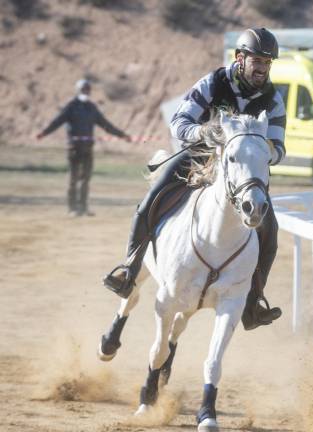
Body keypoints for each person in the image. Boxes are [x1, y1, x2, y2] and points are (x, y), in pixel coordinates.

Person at [102, 28, 285, 330]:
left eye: (267, 62)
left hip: (240, 172)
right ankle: (128, 271)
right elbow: (179, 123)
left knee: (271, 231)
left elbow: (278, 148)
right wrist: (202, 132)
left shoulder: (273, 99)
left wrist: (260, 150)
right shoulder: (214, 82)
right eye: (257, 60)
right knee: (151, 200)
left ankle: (253, 303)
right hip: (199, 157)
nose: (263, 67)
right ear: (240, 59)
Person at [37, 79, 131, 216]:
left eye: (88, 90)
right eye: (83, 89)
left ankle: (83, 208)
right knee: (73, 179)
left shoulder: (91, 108)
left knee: (85, 179)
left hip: (88, 148)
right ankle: (72, 208)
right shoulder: (71, 106)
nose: (86, 92)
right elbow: (57, 121)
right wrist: (44, 133)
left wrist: (122, 135)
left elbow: (105, 124)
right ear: (78, 90)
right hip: (74, 148)